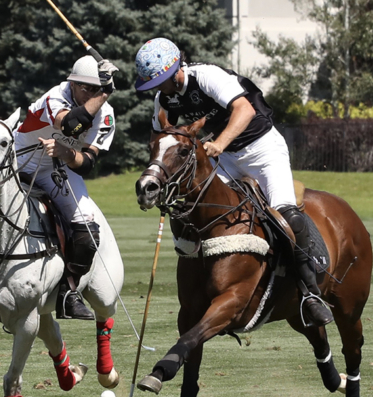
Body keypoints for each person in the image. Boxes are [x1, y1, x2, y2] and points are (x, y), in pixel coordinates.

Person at [134, 37, 333, 327]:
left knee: (285, 213)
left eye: (161, 79)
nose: (158, 87)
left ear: (176, 67)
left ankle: (309, 294)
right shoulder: (163, 100)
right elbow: (160, 138)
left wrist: (219, 143)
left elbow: (245, 110)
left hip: (262, 148)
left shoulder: (206, 76)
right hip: (225, 158)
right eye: (153, 83)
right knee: (196, 209)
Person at [0, 55, 118, 323]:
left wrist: (67, 154)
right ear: (73, 83)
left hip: (58, 167)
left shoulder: (106, 116)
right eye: (84, 87)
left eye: (94, 89)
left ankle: (68, 292)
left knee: (87, 229)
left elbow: (87, 163)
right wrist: (103, 93)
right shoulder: (55, 97)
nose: (87, 93)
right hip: (17, 160)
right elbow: (71, 124)